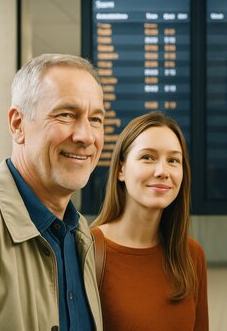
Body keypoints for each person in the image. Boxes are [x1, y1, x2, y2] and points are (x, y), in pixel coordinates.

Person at [0, 54, 104, 330]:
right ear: (18, 125)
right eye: (66, 115)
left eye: (96, 119)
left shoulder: (78, 231)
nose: (86, 136)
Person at [90, 111, 208, 331]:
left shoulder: (192, 255)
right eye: (148, 157)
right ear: (121, 170)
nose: (162, 171)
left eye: (173, 160)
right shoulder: (87, 249)